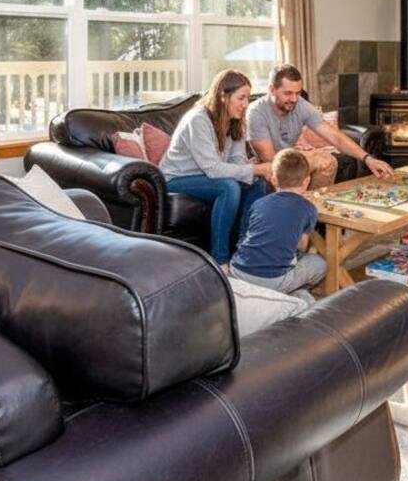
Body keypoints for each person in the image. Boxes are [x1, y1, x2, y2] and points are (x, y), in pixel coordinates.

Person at [161, 69, 272, 264]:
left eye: (247, 98)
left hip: (206, 177)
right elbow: (213, 169)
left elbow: (237, 159)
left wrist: (255, 171)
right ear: (223, 96)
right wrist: (256, 169)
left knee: (257, 183)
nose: (246, 104)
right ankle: (220, 261)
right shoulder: (198, 119)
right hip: (176, 179)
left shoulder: (236, 122)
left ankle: (245, 253)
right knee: (228, 187)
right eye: (241, 98)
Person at [246, 63, 394, 188]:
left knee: (327, 161)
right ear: (272, 89)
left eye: (297, 93)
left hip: (289, 158)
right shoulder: (256, 112)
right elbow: (271, 160)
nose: (294, 99)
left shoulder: (300, 105)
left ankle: (315, 208)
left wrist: (368, 159)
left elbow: (335, 137)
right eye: (288, 93)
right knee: (318, 161)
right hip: (269, 166)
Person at [229, 148, 327, 302]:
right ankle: (290, 294)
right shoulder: (308, 208)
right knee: (318, 263)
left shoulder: (258, 203)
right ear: (307, 181)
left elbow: (245, 234)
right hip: (273, 279)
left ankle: (275, 295)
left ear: (273, 180)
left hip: (238, 271)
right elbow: (302, 246)